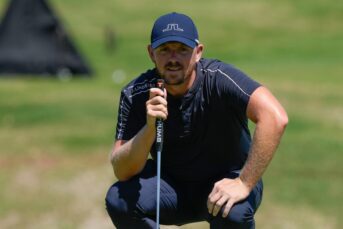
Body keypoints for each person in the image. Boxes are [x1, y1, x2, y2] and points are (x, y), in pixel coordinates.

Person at [105, 12, 288, 229]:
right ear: (151, 53)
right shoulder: (136, 93)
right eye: (164, 50)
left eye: (182, 50)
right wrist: (150, 127)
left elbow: (275, 117)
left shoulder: (219, 79)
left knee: (234, 212)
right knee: (118, 199)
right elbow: (122, 169)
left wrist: (244, 183)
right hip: (170, 188)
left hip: (225, 183)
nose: (173, 59)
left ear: (198, 52)